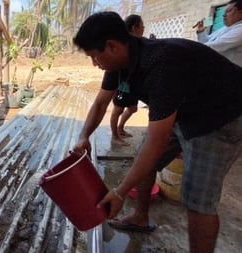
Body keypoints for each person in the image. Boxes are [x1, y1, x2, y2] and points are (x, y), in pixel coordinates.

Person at [72, 11, 242, 253]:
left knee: (197, 198)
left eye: (94, 57)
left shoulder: (161, 64)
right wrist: (83, 136)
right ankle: (140, 217)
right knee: (144, 162)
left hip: (221, 117)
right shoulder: (118, 62)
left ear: (111, 46)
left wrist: (119, 193)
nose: (94, 64)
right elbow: (101, 103)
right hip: (186, 109)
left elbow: (157, 139)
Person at [110, 14, 144, 146]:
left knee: (133, 108)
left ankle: (120, 129)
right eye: (142, 26)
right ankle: (114, 136)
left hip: (133, 83)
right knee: (118, 110)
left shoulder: (140, 44)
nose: (143, 29)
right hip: (123, 82)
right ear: (135, 27)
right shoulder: (125, 44)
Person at [196, 0, 242, 67]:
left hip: (229, 74)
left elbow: (215, 46)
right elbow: (206, 42)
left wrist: (188, 47)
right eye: (224, 12)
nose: (223, 15)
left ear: (241, 13)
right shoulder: (225, 28)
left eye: (228, 11)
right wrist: (201, 31)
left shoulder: (240, 29)